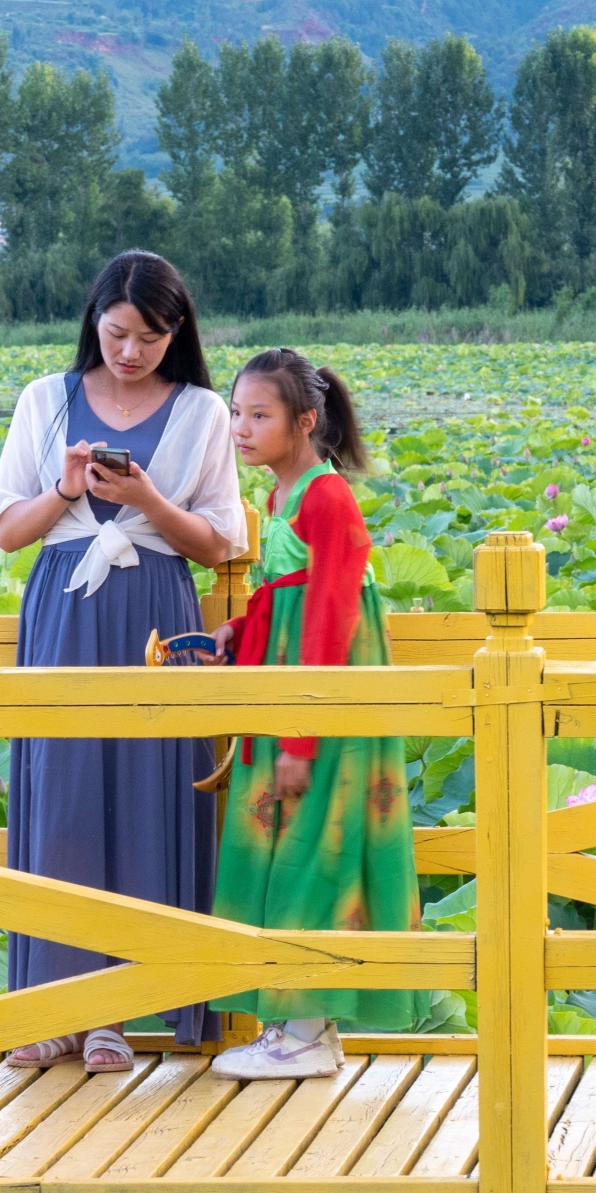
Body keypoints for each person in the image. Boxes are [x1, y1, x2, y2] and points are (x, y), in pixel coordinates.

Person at [0, 250, 246, 1071]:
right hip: (63, 604)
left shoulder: (201, 410)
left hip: (156, 609)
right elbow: (8, 532)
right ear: (95, 319)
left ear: (178, 335)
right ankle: (54, 1006)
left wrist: (147, 500)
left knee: (147, 792)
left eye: (152, 338)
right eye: (119, 332)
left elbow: (218, 542)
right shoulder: (43, 401)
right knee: (60, 794)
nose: (131, 352)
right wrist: (65, 491)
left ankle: (117, 1012)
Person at [206, 348, 429, 1080]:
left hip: (324, 696)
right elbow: (286, 595)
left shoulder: (325, 498)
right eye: (237, 412)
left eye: (259, 415)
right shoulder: (279, 495)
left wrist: (302, 730)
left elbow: (330, 614)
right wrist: (240, 634)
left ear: (305, 421)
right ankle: (306, 1024)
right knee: (281, 836)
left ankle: (302, 1028)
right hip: (291, 682)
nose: (241, 428)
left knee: (312, 838)